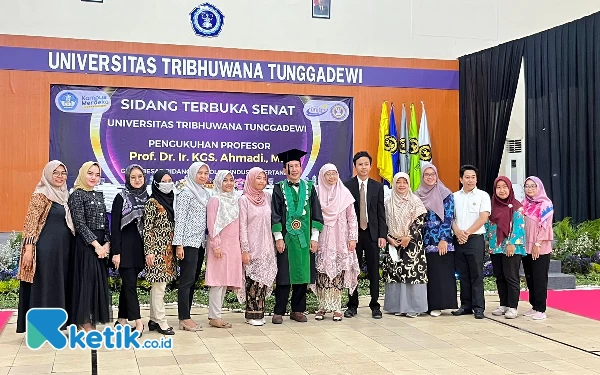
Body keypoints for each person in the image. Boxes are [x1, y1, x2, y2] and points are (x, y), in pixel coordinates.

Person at [16, 161, 74, 333]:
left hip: (63, 250)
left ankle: (58, 324)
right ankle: (41, 327)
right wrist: (28, 249)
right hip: (45, 250)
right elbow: (30, 223)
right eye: (56, 173)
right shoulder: (41, 194)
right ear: (48, 174)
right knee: (45, 285)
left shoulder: (65, 196)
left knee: (59, 285)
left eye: (63, 173)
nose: (60, 176)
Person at [271, 148, 324, 324]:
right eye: (290, 166)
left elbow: (316, 213)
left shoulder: (310, 188)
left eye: (296, 166)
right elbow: (276, 214)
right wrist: (278, 237)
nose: (294, 169)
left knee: (302, 275)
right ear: (284, 170)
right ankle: (279, 311)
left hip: (305, 239)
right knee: (284, 275)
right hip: (286, 239)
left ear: (300, 168)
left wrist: (314, 238)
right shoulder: (279, 189)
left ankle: (298, 310)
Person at [68, 161, 111, 331]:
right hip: (86, 246)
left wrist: (107, 243)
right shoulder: (77, 195)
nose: (94, 177)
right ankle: (83, 321)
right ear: (82, 174)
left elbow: (105, 222)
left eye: (97, 174)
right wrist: (97, 246)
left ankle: (90, 318)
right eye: (90, 173)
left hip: (101, 245)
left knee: (95, 283)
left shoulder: (98, 195)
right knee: (85, 282)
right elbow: (80, 224)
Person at [314, 164, 360, 321]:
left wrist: (353, 238)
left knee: (338, 273)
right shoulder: (316, 192)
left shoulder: (344, 193)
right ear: (322, 176)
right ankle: (322, 306)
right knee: (322, 274)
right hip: (322, 239)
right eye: (328, 174)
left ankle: (336, 307)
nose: (332, 177)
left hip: (341, 239)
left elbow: (352, 218)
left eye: (334, 173)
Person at [344, 151, 387, 319]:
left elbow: (380, 212)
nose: (363, 167)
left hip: (372, 234)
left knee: (374, 271)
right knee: (353, 270)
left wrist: (382, 235)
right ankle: (352, 305)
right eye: (360, 164)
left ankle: (375, 305)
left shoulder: (377, 186)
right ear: (355, 166)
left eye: (366, 164)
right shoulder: (347, 186)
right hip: (354, 236)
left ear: (370, 166)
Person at [383, 172, 428, 317]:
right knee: (395, 274)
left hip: (412, 244)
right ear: (394, 184)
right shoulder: (387, 202)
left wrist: (408, 236)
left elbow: (420, 221)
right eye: (398, 182)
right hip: (393, 243)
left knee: (412, 274)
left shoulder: (415, 201)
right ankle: (397, 307)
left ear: (409, 184)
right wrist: (388, 237)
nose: (401, 185)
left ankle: (414, 308)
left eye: (405, 182)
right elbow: (383, 222)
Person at [173, 162, 211, 331]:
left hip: (200, 242)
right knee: (186, 281)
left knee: (193, 280)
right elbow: (179, 219)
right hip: (188, 243)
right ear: (192, 173)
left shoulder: (206, 193)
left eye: (206, 173)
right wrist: (178, 244)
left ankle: (186, 316)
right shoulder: (186, 193)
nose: (203, 176)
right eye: (200, 173)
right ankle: (184, 317)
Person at [416, 163, 457, 317]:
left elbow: (448, 218)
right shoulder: (417, 194)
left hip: (441, 240)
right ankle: (429, 304)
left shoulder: (446, 194)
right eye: (427, 175)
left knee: (442, 273)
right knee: (430, 274)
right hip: (425, 241)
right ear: (422, 176)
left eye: (432, 174)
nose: (430, 177)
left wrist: (443, 239)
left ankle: (440, 305)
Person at [238, 167, 277, 326]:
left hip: (267, 246)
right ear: (250, 180)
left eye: (263, 178)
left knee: (263, 281)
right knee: (252, 281)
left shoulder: (267, 197)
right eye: (258, 178)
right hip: (252, 247)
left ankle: (260, 312)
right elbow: (242, 226)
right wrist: (245, 249)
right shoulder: (244, 200)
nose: (261, 181)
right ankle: (252, 314)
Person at [111, 164, 147, 335]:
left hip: (139, 249)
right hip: (124, 249)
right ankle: (139, 323)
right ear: (127, 178)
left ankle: (121, 320)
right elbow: (115, 227)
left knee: (128, 285)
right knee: (131, 286)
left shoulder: (148, 197)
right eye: (133, 177)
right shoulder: (121, 197)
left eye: (140, 176)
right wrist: (116, 252)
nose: (137, 180)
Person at [205, 170, 244, 328]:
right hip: (219, 246)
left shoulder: (235, 199)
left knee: (225, 281)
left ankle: (217, 315)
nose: (228, 183)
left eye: (231, 180)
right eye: (225, 180)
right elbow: (212, 224)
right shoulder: (215, 200)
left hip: (233, 245)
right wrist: (216, 245)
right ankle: (215, 316)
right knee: (217, 281)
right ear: (219, 182)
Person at [452, 165, 491, 319]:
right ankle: (465, 305)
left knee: (476, 274)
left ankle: (478, 307)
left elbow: (483, 217)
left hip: (475, 239)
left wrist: (467, 232)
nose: (470, 180)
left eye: (473, 177)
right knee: (463, 274)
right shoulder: (454, 196)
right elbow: (451, 218)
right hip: (459, 239)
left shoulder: (483, 196)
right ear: (461, 179)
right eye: (467, 177)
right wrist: (458, 232)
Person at [486, 176, 526, 319]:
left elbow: (519, 227)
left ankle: (513, 307)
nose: (502, 190)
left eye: (505, 187)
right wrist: (487, 241)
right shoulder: (492, 206)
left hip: (511, 247)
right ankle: (503, 304)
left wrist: (512, 243)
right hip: (496, 246)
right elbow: (488, 225)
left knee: (511, 277)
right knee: (500, 276)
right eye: (498, 187)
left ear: (510, 188)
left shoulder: (517, 206)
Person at [144, 170, 177, 335]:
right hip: (156, 251)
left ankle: (153, 320)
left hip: (169, 251)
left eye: (170, 180)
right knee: (160, 287)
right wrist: (149, 251)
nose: (167, 183)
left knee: (158, 287)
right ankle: (162, 322)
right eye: (163, 181)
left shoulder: (172, 200)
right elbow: (147, 229)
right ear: (156, 183)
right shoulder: (152, 202)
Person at [521, 176, 554, 320]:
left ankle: (541, 309)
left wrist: (538, 244)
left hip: (539, 247)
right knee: (530, 277)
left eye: (533, 186)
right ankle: (534, 306)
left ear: (539, 187)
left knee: (539, 278)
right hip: (526, 246)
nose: (530, 189)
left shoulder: (545, 204)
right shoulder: (525, 204)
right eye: (527, 186)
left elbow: (546, 227)